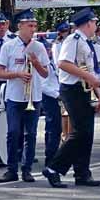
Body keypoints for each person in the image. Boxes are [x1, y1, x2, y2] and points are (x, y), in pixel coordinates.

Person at [43, 8, 100, 188]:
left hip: (85, 89)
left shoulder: (86, 42)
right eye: (94, 22)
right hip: (72, 89)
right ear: (88, 23)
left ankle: (82, 173)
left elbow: (90, 72)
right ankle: (54, 168)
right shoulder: (73, 40)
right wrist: (88, 78)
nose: (96, 26)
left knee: (88, 133)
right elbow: (62, 63)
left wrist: (99, 96)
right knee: (80, 132)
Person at [0, 9, 49, 183]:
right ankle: (11, 169)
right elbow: (0, 73)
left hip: (33, 96)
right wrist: (18, 74)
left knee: (31, 134)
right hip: (14, 96)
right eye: (29, 25)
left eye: (34, 25)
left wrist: (36, 63)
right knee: (13, 132)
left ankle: (27, 169)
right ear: (20, 26)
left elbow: (45, 74)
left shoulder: (39, 47)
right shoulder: (9, 46)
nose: (33, 29)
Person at [40, 39, 62, 168]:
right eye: (45, 50)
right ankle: (50, 158)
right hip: (48, 98)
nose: (48, 52)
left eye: (48, 49)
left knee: (56, 129)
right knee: (53, 129)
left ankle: (53, 155)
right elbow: (43, 86)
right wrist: (58, 95)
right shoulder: (40, 65)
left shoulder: (52, 63)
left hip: (56, 96)